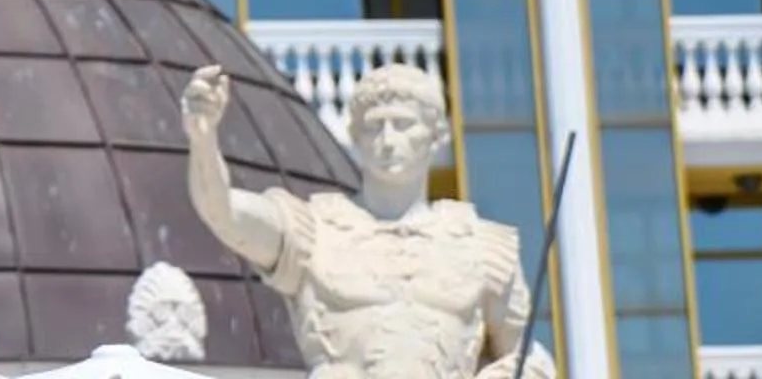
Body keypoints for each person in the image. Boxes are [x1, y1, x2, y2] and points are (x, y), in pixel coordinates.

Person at [183, 61, 554, 379]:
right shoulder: (314, 230)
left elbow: (522, 358)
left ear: (437, 134)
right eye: (375, 126)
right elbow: (225, 213)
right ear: (355, 137)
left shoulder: (482, 247)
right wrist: (203, 138)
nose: (388, 140)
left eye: (404, 125)